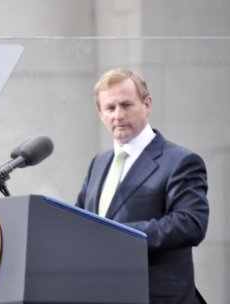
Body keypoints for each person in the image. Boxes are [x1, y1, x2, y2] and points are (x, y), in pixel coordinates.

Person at [76, 68, 209, 304]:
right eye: (110, 108)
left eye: (126, 105)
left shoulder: (180, 161)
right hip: (102, 294)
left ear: (147, 104)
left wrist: (120, 236)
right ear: (100, 113)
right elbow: (78, 221)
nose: (118, 115)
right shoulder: (98, 164)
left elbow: (191, 223)